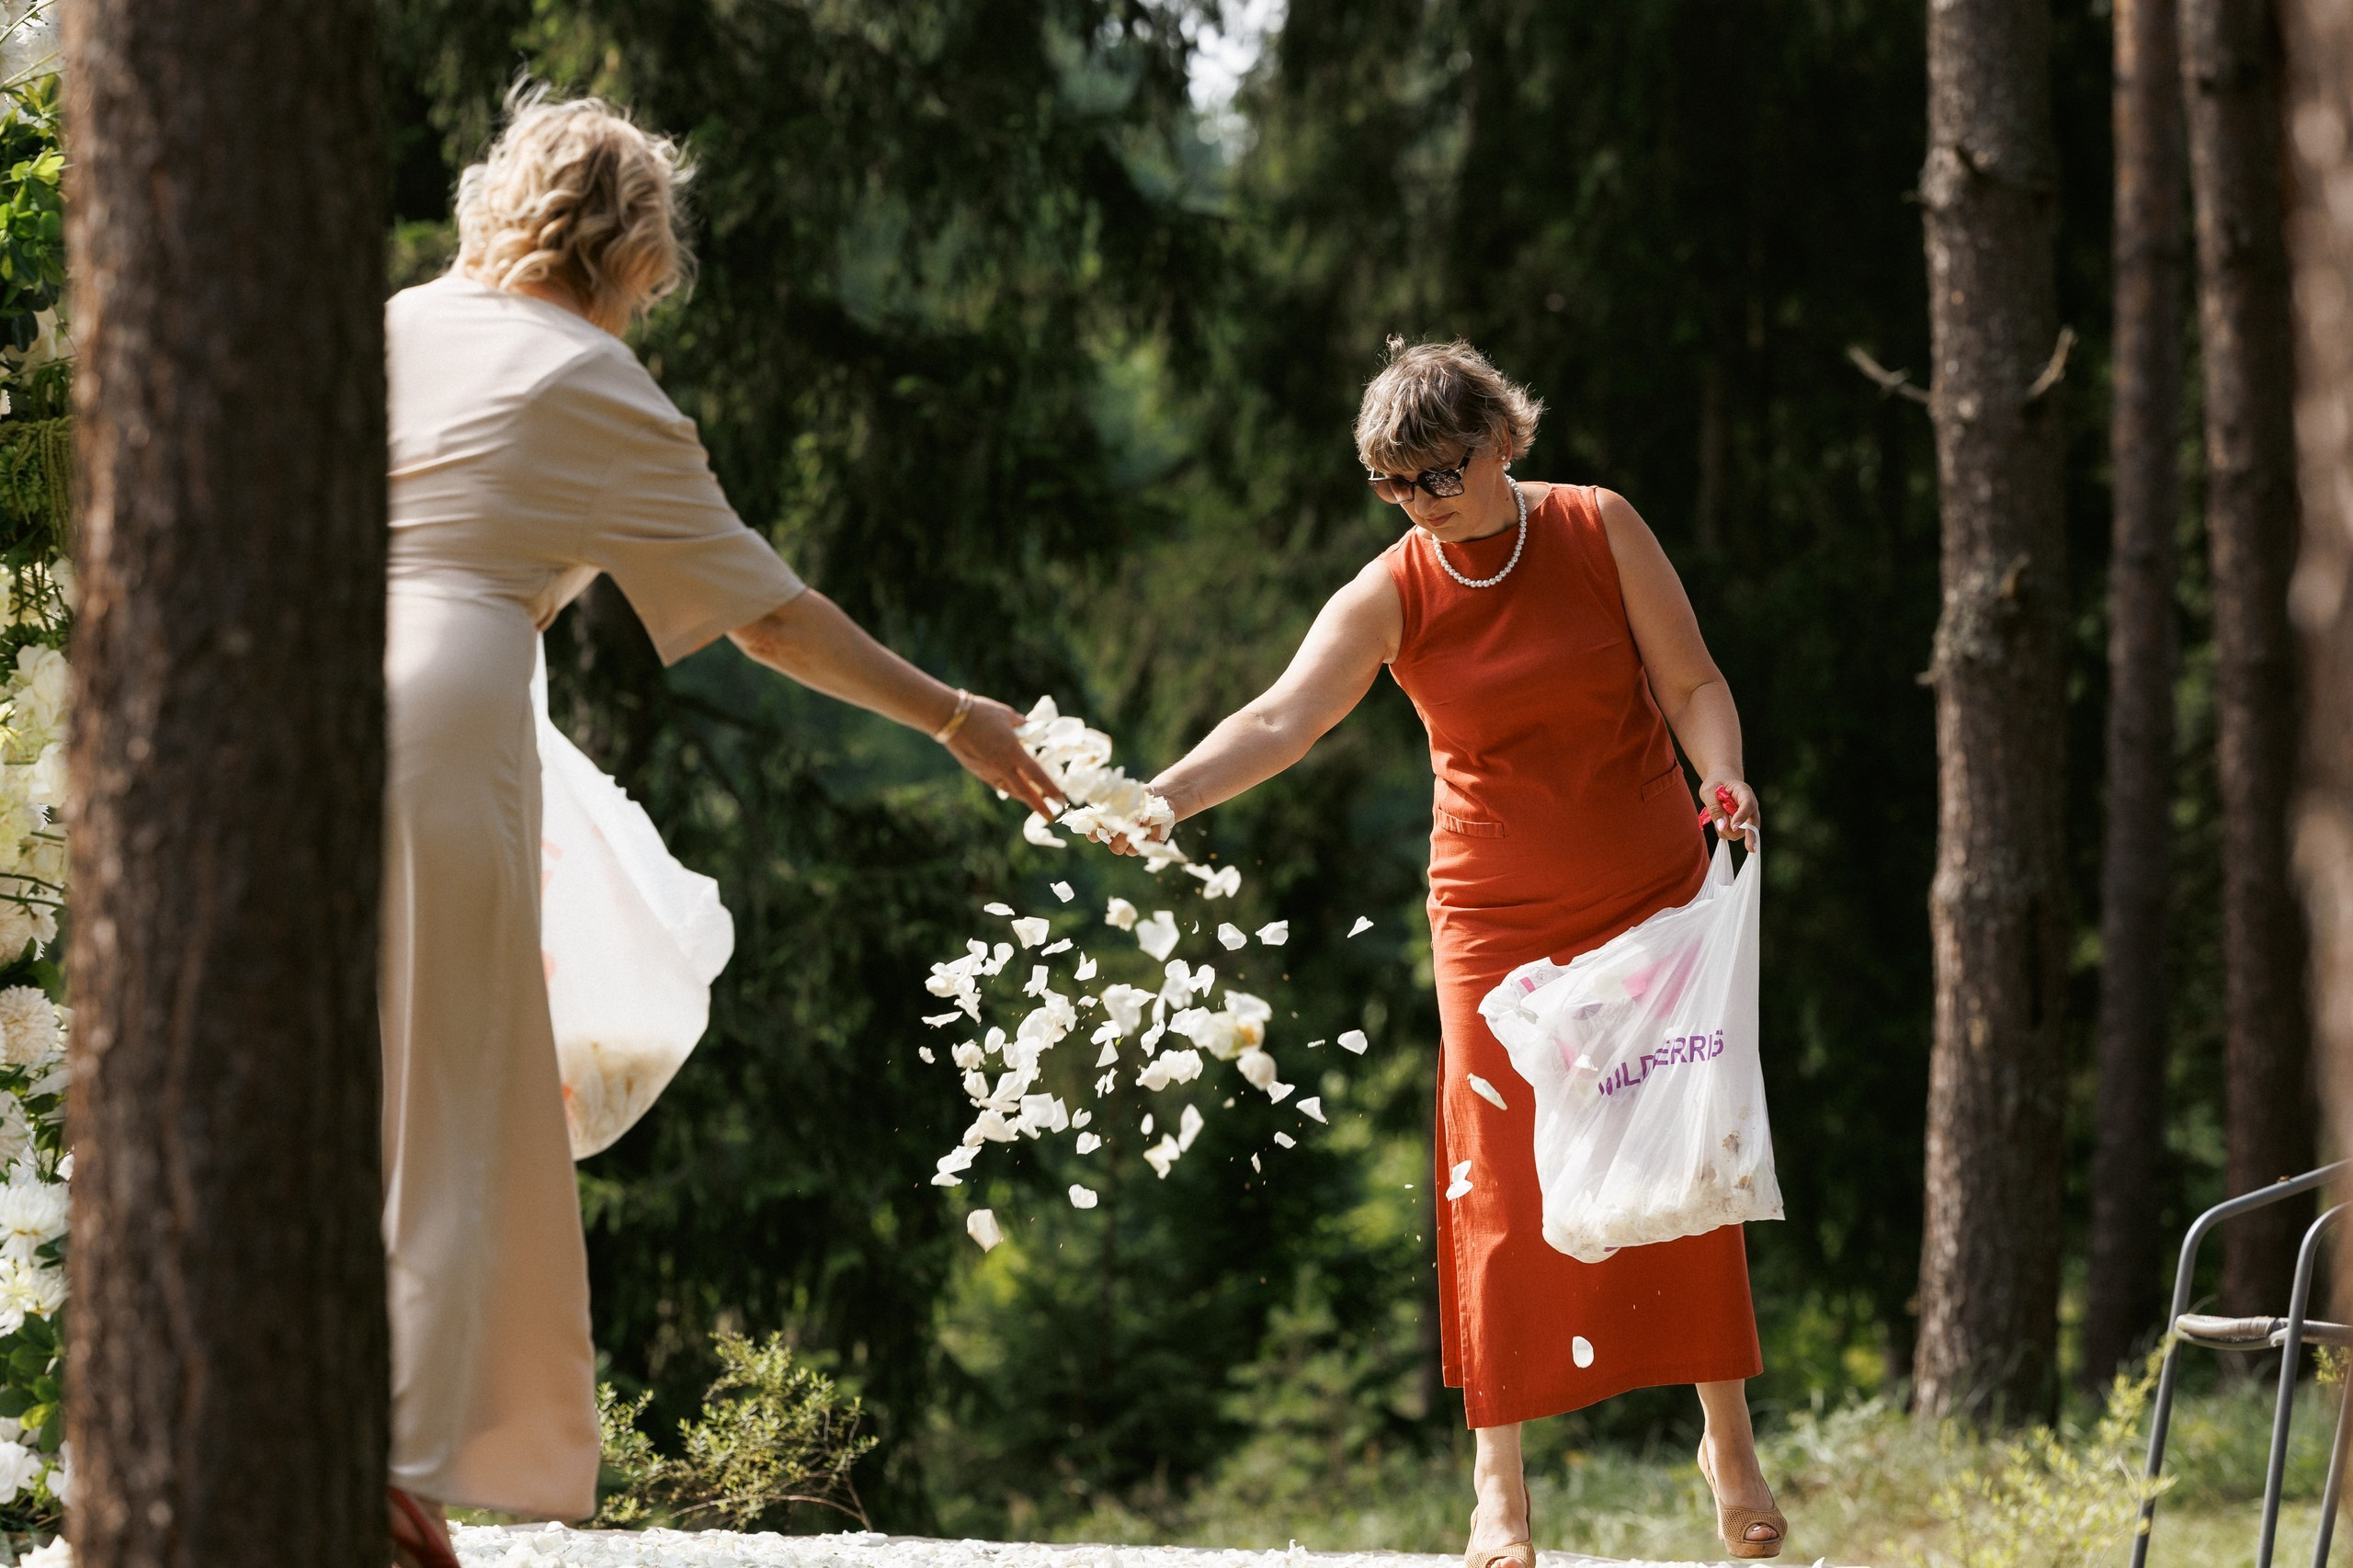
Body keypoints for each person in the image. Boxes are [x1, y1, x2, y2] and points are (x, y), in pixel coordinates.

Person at [377, 89, 1059, 1568]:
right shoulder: (594, 382)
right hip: (439, 720)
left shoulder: (391, 321)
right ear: (636, 246)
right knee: (441, 1093)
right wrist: (954, 715)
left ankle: (332, 1445)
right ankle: (380, 1460)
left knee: (328, 1066)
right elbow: (768, 616)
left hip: (283, 701)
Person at [1138, 339, 1786, 1562]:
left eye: (1440, 472)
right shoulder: (1393, 588)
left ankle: (1728, 1440)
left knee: (1679, 1150)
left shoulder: (1598, 528)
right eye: (1396, 485)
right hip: (1494, 919)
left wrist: (1726, 775)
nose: (1423, 502)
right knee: (1499, 1179)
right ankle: (1500, 1487)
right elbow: (1281, 716)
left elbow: (1694, 679)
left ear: (1504, 438)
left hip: (1649, 886)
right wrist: (1162, 797)